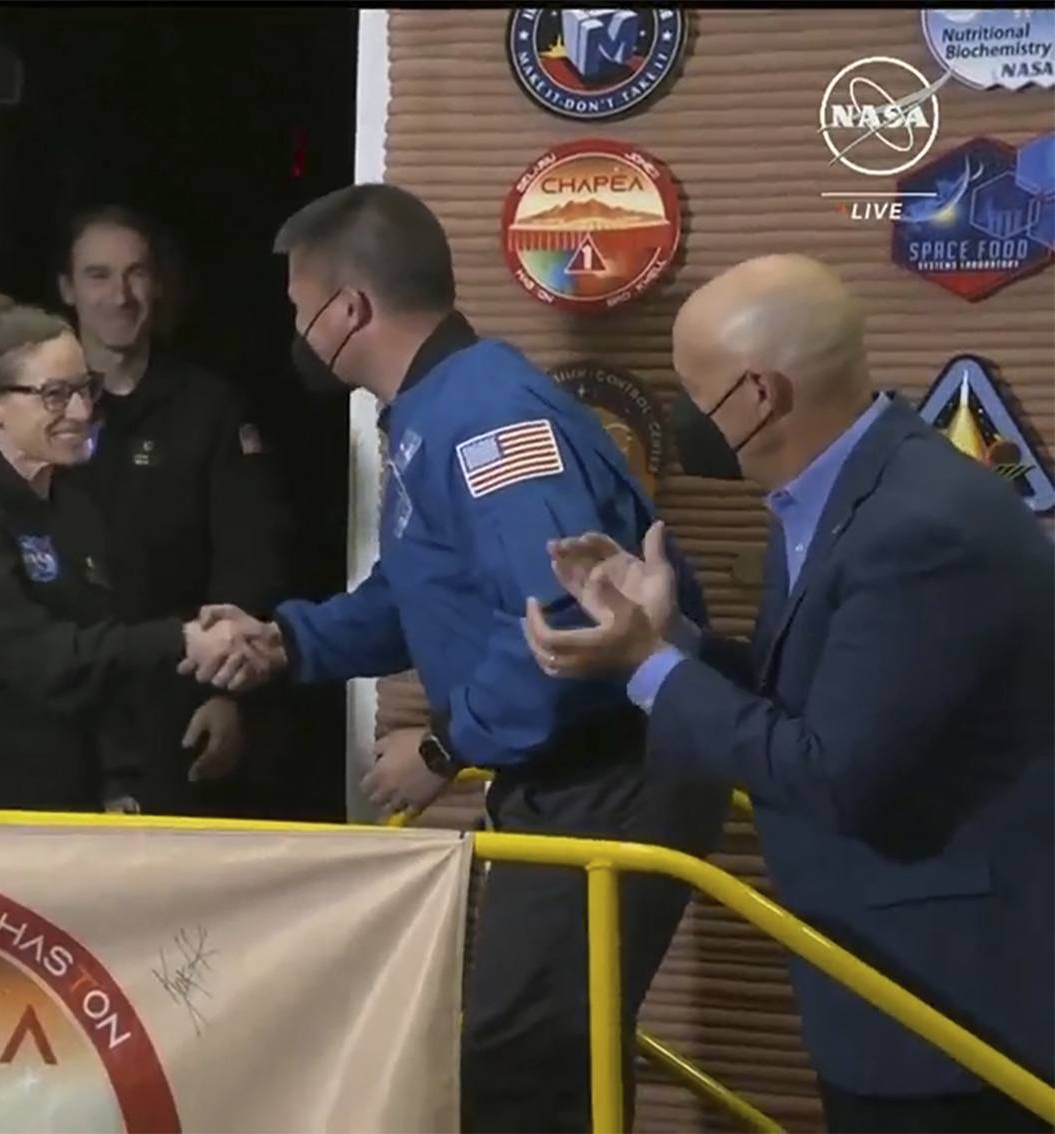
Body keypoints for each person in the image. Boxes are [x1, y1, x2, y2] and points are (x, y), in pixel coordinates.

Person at [186, 183, 731, 1131]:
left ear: (348, 309)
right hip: (574, 777)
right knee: (549, 1052)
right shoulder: (436, 409)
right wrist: (288, 641)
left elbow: (571, 611)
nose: (297, 335)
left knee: (521, 1057)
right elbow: (425, 592)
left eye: (297, 309)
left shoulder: (483, 418)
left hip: (610, 775)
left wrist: (443, 748)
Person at [521, 253, 1055, 1133]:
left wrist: (644, 669)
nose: (682, 418)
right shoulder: (843, 493)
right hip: (889, 987)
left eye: (693, 393)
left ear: (758, 395)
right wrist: (665, 638)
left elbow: (828, 771)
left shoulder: (916, 527)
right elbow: (821, 697)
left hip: (957, 1011)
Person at [0, 291, 243, 813]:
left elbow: (102, 650)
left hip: (79, 801)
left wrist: (119, 781)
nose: (81, 411)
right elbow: (41, 658)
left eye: (85, 389)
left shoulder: (77, 506)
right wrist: (178, 640)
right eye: (55, 395)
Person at [55, 205, 290, 816]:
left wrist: (231, 697)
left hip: (176, 708)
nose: (120, 295)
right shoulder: (36, 410)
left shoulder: (208, 408)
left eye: (136, 274)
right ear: (67, 289)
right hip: (63, 706)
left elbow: (248, 556)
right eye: (98, 275)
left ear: (157, 285)